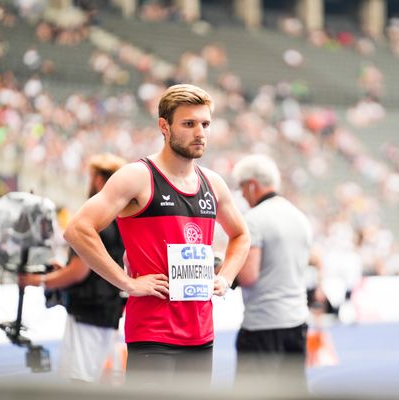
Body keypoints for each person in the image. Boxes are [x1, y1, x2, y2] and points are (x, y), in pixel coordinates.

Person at [63, 84, 250, 386]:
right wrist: (126, 283)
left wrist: (225, 278)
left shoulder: (213, 183)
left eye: (205, 124)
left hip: (201, 333)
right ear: (164, 126)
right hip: (153, 333)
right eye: (188, 124)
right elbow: (77, 229)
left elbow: (241, 235)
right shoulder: (138, 176)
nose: (200, 133)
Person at [19, 153, 127, 383]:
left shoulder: (90, 218)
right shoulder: (122, 218)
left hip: (87, 312)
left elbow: (79, 272)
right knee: (107, 378)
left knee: (81, 381)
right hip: (110, 310)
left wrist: (37, 280)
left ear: (98, 180)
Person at [231, 154, 313, 393]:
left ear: (252, 184)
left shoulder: (254, 219)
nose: (243, 196)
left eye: (242, 188)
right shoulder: (299, 217)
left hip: (263, 326)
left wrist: (220, 267)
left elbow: (248, 276)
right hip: (296, 321)